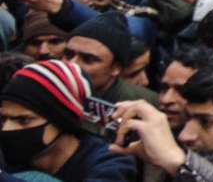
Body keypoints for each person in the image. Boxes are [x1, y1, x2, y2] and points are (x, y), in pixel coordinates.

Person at [0, 61, 137, 182]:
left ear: (62, 121)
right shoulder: (7, 158)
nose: (7, 129)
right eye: (3, 119)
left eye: (24, 120)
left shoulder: (110, 160)